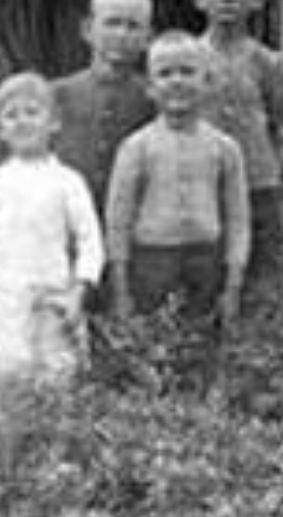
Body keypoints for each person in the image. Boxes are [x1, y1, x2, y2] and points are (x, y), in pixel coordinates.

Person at [0, 73, 104, 477]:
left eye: (32, 112)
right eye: (11, 115)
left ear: (54, 122)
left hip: (49, 299)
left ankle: (52, 465)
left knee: (53, 378)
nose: (22, 122)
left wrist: (78, 292)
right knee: (3, 377)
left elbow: (91, 242)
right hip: (2, 301)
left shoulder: (67, 182)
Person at [105, 33, 251, 334]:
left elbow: (238, 219)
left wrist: (233, 282)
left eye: (187, 71)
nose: (177, 81)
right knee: (153, 353)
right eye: (165, 73)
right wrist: (121, 289)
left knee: (203, 351)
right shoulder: (136, 147)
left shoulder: (225, 148)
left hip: (206, 262)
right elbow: (118, 219)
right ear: (149, 87)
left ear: (207, 81)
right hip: (151, 265)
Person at [194, 0, 283, 305]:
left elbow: (282, 125)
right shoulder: (184, 60)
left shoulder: (269, 63)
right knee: (204, 286)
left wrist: (263, 168)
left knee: (263, 288)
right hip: (200, 188)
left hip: (258, 190)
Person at [48, 0, 157, 224]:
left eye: (133, 26)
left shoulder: (154, 100)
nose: (121, 34)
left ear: (148, 38)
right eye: (112, 23)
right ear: (88, 29)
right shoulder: (56, 95)